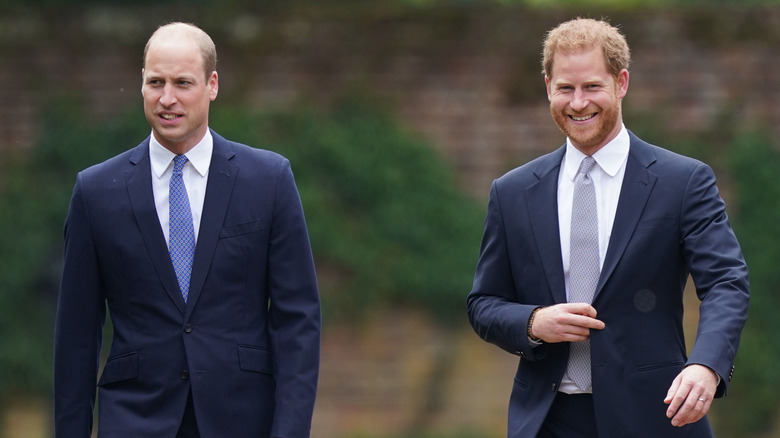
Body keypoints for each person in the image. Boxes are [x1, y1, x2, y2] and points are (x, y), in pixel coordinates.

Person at [466, 18, 749, 438]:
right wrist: (532, 322)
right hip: (545, 421)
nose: (578, 103)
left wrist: (706, 365)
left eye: (592, 87)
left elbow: (726, 281)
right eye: (565, 88)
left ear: (621, 83)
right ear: (548, 87)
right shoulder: (512, 192)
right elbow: (483, 303)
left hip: (656, 416)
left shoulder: (683, 181)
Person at [54, 22, 321, 438]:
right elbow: (76, 335)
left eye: (182, 83)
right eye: (155, 82)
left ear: (212, 84)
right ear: (141, 84)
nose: (167, 98)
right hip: (134, 419)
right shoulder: (95, 192)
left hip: (242, 418)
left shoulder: (268, 180)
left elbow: (297, 321)